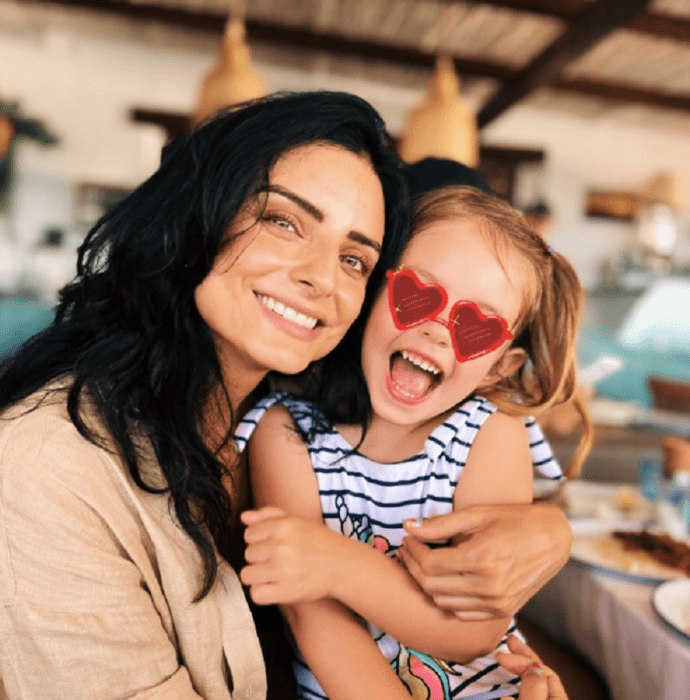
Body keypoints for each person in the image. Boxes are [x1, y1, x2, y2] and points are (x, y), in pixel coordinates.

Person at [0, 94, 572, 699]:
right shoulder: (47, 473)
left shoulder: (281, 404)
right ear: (200, 215)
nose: (322, 277)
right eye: (283, 220)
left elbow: (474, 624)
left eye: (354, 258)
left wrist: (548, 532)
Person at [239, 185, 591, 699]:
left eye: (477, 326)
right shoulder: (283, 432)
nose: (439, 331)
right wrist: (319, 568)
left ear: (500, 366)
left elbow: (476, 631)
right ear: (374, 292)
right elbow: (313, 619)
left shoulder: (491, 435)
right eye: (418, 295)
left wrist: (335, 563)